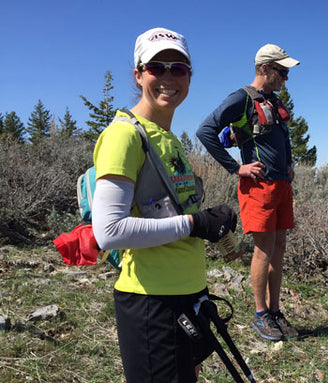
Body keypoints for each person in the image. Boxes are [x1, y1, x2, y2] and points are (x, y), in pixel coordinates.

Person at [92, 27, 237, 382]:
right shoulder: (123, 136)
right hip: (151, 302)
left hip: (188, 291)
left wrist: (209, 220)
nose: (169, 77)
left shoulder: (168, 138)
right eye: (158, 67)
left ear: (190, 76)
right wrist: (195, 224)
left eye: (179, 68)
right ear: (139, 74)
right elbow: (109, 232)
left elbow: (174, 211)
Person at [197, 44, 300, 341]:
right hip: (259, 186)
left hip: (281, 184)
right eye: (282, 71)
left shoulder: (273, 101)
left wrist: (290, 163)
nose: (286, 78)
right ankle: (260, 314)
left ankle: (275, 311)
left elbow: (283, 138)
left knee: (278, 247)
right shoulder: (242, 98)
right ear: (265, 69)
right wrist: (236, 168)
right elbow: (205, 131)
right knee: (264, 249)